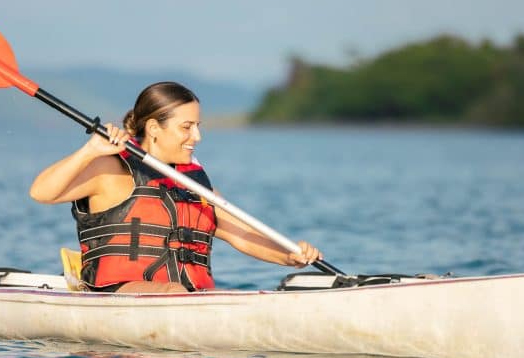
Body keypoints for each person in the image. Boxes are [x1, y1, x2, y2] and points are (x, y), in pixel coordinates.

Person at [29, 81, 322, 293]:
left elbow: (242, 236)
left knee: (216, 296)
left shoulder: (195, 184)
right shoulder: (111, 169)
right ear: (155, 128)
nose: (197, 136)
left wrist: (289, 256)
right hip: (116, 294)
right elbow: (41, 193)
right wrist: (90, 151)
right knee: (175, 294)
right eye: (187, 127)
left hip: (187, 300)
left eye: (198, 125)